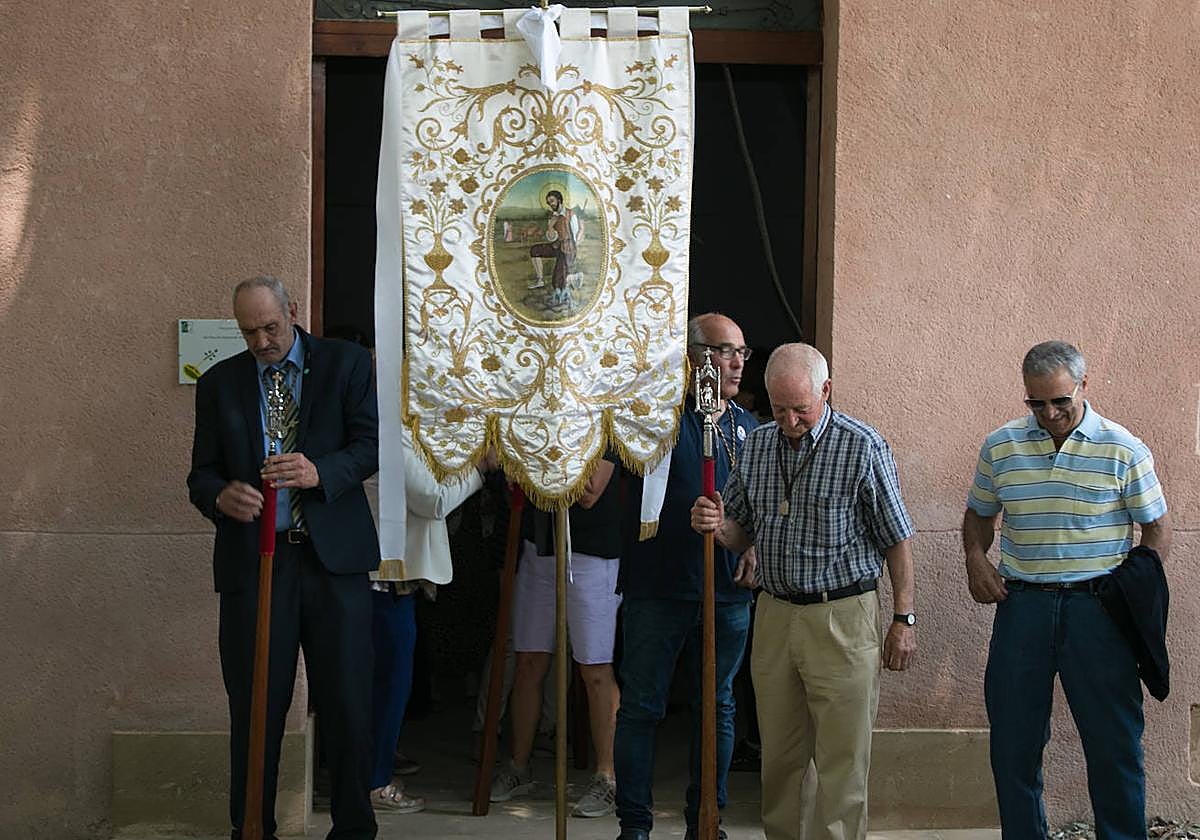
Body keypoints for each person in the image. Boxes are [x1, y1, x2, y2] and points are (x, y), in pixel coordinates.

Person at [691, 342, 917, 840]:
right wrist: (715, 523)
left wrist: (904, 619)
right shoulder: (755, 444)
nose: (791, 419)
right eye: (779, 408)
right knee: (780, 758)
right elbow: (739, 532)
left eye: (801, 408)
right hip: (774, 614)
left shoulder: (862, 445)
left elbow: (897, 540)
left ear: (826, 391)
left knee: (842, 760)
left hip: (843, 614)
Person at [187, 276, 379, 840]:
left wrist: (322, 472)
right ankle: (252, 829)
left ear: (292, 311)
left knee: (346, 703)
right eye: (249, 332)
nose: (263, 341)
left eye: (271, 327)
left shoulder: (345, 363)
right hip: (256, 564)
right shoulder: (220, 383)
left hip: (333, 564)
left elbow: (370, 445)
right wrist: (220, 497)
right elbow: (201, 473)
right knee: (255, 708)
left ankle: (353, 830)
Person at [962, 340, 1171, 840]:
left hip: (1098, 611)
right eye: (1037, 403)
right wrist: (975, 558)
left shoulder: (1123, 447)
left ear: (1084, 386)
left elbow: (1158, 528)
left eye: (1061, 401)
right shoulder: (1001, 446)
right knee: (1013, 745)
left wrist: (1135, 584)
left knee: (1113, 746)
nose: (1050, 413)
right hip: (1023, 608)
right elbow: (978, 515)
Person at [613, 313, 760, 840]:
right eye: (725, 350)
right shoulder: (652, 420)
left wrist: (751, 543)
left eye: (743, 350)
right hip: (658, 585)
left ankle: (707, 821)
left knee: (718, 706)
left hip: (725, 594)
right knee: (642, 706)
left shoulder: (749, 430)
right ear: (695, 356)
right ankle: (633, 826)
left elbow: (760, 510)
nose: (739, 361)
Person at [366, 427, 495, 812]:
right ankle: (373, 779)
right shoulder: (387, 426)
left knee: (392, 681)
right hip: (381, 578)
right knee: (388, 683)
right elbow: (433, 499)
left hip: (393, 577)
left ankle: (375, 768)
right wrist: (480, 468)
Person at [489, 452, 623, 818]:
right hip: (539, 545)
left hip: (593, 552)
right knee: (529, 660)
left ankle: (607, 777)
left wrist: (527, 463)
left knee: (594, 668)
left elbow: (590, 489)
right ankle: (518, 766)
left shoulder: (603, 412)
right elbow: (499, 462)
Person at [528, 189, 579, 307]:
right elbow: (552, 238)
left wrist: (570, 252)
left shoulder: (571, 214)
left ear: (559, 200)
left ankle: (562, 293)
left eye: (552, 201)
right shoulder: (553, 217)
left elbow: (575, 235)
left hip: (568, 249)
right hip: (556, 246)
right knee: (535, 250)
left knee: (558, 277)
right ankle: (540, 280)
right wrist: (550, 226)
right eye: (548, 202)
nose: (550, 204)